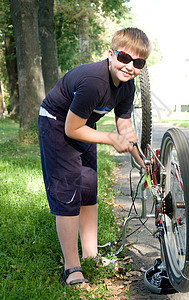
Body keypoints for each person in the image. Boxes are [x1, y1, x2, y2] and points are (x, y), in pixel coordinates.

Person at [38, 27, 152, 287]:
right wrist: (110, 139)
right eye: (124, 58)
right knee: (68, 192)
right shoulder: (94, 81)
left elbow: (125, 127)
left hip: (83, 124)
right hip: (57, 123)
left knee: (88, 188)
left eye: (138, 62)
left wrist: (141, 160)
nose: (129, 67)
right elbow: (71, 129)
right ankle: (72, 267)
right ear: (110, 54)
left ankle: (91, 255)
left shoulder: (127, 85)